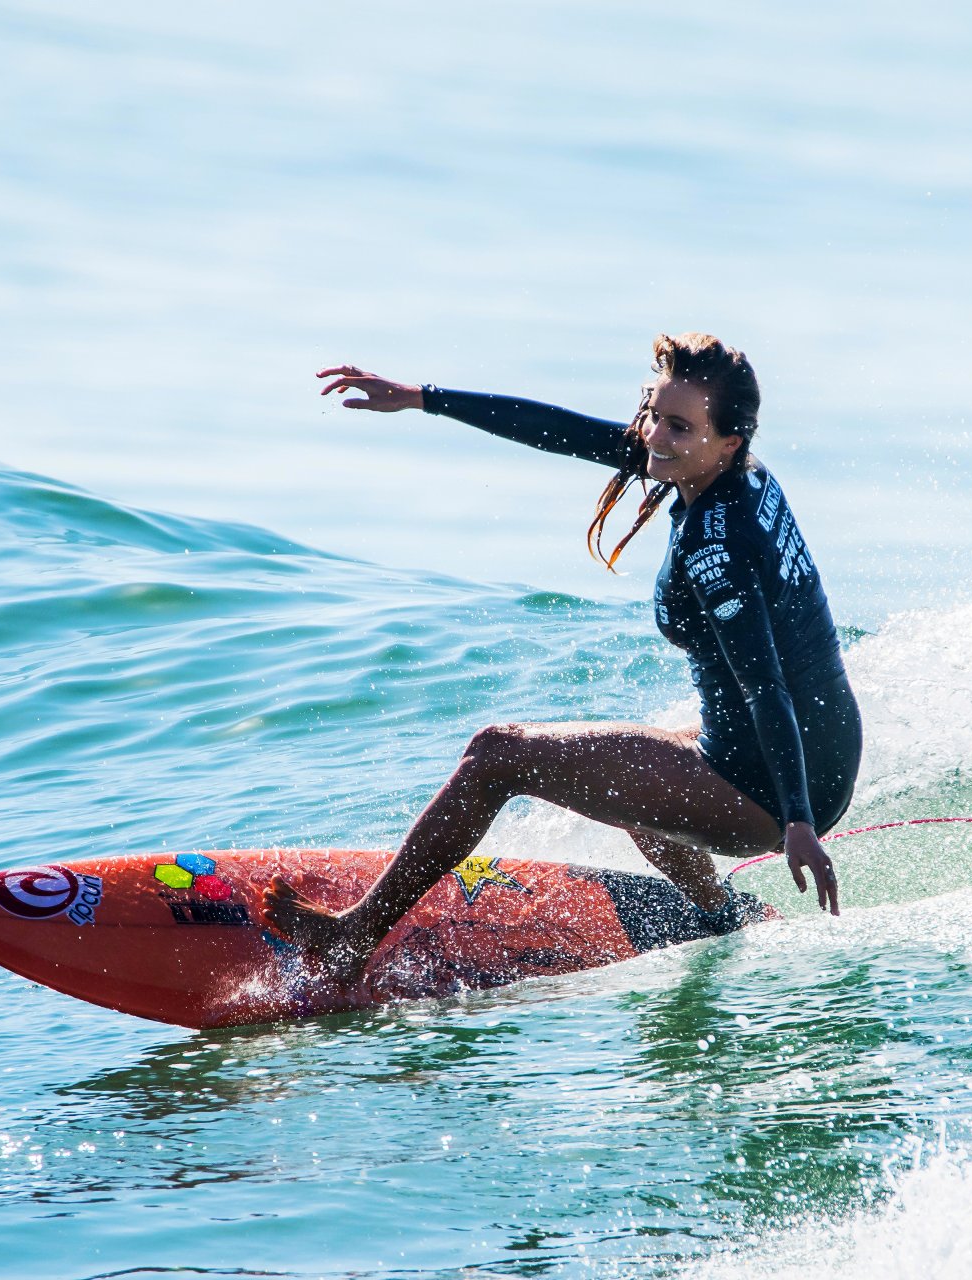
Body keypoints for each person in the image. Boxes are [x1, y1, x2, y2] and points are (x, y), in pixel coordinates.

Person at [265, 332, 863, 985]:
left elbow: (763, 687)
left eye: (677, 426)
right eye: (652, 412)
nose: (654, 435)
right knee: (620, 766)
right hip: (818, 750)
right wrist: (420, 399)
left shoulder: (717, 545)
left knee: (496, 754)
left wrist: (799, 821)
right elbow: (561, 430)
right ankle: (718, 911)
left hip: (772, 783)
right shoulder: (730, 472)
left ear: (727, 441)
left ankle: (353, 937)